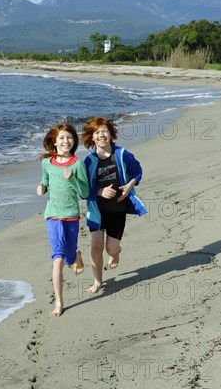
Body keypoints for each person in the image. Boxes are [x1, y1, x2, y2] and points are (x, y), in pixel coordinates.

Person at [82, 117, 147, 294]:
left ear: (110, 134)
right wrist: (99, 192)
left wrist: (129, 186)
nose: (101, 135)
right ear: (92, 138)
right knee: (96, 247)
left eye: (104, 131)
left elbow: (137, 171)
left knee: (111, 249)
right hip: (97, 211)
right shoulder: (88, 162)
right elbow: (83, 190)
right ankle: (97, 282)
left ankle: (116, 254)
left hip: (118, 210)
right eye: (97, 132)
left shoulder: (122, 154)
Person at [37, 123, 89, 317]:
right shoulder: (47, 163)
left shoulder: (77, 164)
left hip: (72, 216)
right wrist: (41, 188)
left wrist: (72, 179)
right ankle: (59, 303)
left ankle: (76, 256)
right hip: (53, 215)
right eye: (62, 138)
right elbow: (45, 182)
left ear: (74, 141)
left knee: (68, 256)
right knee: (57, 260)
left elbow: (84, 193)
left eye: (69, 138)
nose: (66, 141)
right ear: (54, 141)